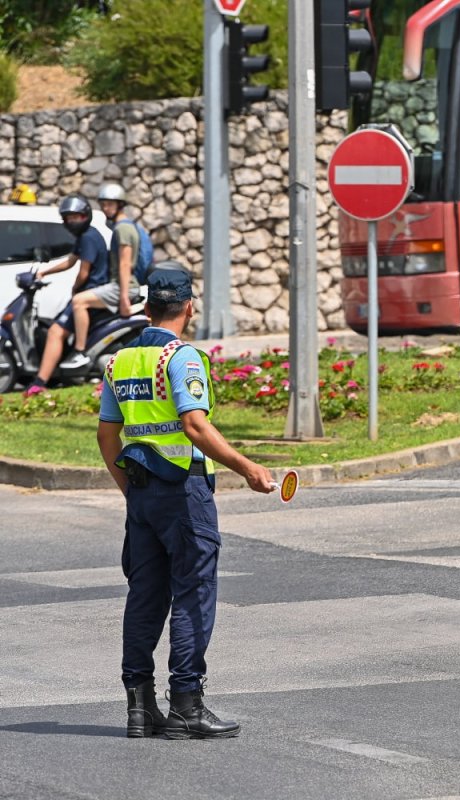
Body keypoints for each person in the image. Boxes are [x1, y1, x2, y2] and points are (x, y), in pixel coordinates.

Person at [96, 267, 274, 739]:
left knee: (144, 597)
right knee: (193, 593)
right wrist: (247, 467)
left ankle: (139, 707)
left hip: (141, 495)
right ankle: (186, 705)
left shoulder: (118, 362)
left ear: (147, 307)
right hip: (184, 493)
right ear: (189, 307)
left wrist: (129, 491)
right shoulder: (183, 357)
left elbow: (107, 436)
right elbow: (194, 425)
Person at [23, 194, 109, 395]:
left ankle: (41, 381)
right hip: (91, 290)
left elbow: (84, 272)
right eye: (69, 218)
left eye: (76, 217)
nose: (72, 221)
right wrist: (44, 272)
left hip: (90, 291)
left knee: (55, 331)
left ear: (85, 216)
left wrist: (75, 288)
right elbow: (70, 261)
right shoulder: (86, 235)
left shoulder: (87, 237)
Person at [66, 182, 143, 360]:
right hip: (120, 285)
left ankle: (80, 352)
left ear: (120, 205)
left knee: (78, 301)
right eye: (103, 204)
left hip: (123, 286)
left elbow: (125, 264)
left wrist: (124, 297)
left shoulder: (123, 229)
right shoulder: (122, 227)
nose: (105, 208)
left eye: (110, 204)